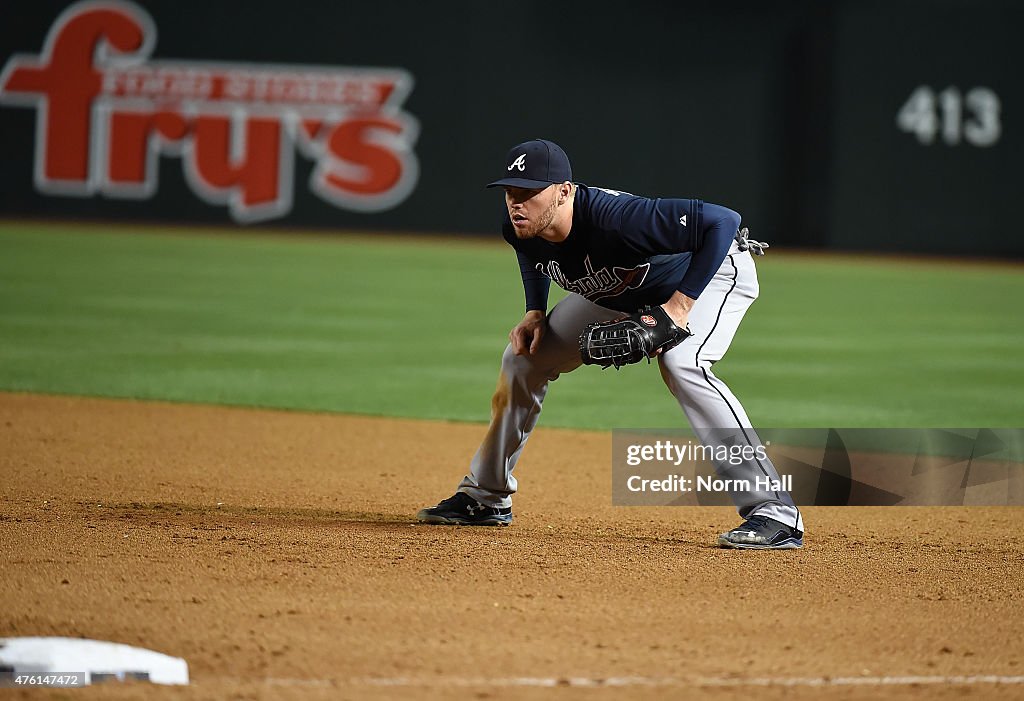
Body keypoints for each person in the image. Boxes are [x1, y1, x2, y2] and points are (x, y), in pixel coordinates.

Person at [416, 139, 804, 549]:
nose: (517, 203)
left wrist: (678, 307)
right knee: (523, 359)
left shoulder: (618, 218)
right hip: (622, 289)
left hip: (711, 274)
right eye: (512, 192)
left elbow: (723, 221)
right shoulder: (521, 226)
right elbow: (532, 255)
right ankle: (485, 496)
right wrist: (534, 310)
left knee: (681, 363)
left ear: (564, 191)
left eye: (530, 193)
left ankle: (775, 512)